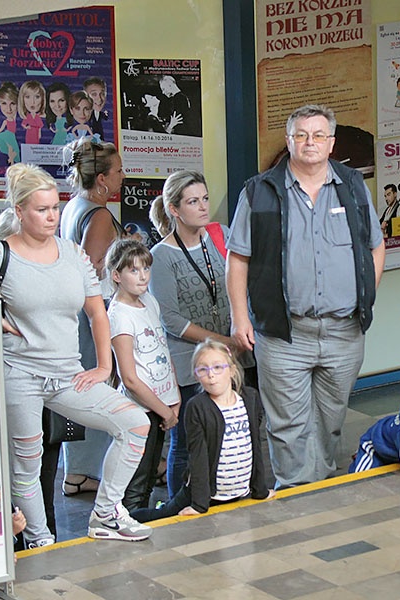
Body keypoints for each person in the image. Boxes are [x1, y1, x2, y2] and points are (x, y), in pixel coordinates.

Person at [0, 163, 152, 545]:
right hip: (20, 376)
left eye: (55, 208)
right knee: (27, 467)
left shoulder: (72, 255)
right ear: (19, 212)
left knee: (135, 424)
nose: (51, 216)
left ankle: (105, 516)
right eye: (41, 209)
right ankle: (39, 540)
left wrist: (103, 366)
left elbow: (97, 311)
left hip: (68, 373)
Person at [227, 104, 385, 488]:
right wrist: (239, 316)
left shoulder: (352, 187)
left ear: (331, 143)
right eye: (301, 135)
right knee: (288, 427)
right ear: (288, 141)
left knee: (330, 422)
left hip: (343, 332)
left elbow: (375, 247)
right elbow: (238, 258)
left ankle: (320, 491)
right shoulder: (259, 191)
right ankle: (298, 500)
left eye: (318, 135)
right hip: (284, 333)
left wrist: (365, 294)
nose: (309, 142)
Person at [150, 170, 242, 497]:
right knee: (187, 440)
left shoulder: (220, 235)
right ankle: (180, 502)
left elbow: (238, 283)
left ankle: (224, 491)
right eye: (193, 201)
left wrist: (238, 334)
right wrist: (220, 342)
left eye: (204, 199)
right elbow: (170, 319)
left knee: (233, 430)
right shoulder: (161, 256)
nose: (203, 207)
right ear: (174, 209)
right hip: (191, 360)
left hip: (232, 354)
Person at [131, 340, 272, 522]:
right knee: (162, 516)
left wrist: (260, 489)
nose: (211, 375)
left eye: (217, 368)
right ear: (196, 376)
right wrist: (199, 504)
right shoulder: (197, 407)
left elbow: (254, 447)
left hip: (236, 492)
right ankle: (121, 518)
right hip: (203, 494)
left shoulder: (250, 398)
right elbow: (198, 457)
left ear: (232, 370)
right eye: (203, 370)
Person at [58, 137, 127, 500]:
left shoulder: (73, 206)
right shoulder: (98, 215)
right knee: (97, 389)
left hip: (77, 317)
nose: (122, 176)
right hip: (93, 315)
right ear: (101, 179)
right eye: (117, 171)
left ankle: (77, 472)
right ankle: (84, 471)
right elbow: (92, 270)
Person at [105, 240, 180, 512]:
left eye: (146, 268)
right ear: (116, 276)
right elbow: (131, 379)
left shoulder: (148, 301)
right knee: (136, 481)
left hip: (162, 404)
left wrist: (174, 397)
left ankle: (144, 521)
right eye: (134, 270)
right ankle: (129, 523)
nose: (143, 276)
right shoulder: (118, 315)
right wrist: (164, 411)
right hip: (142, 410)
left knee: (149, 477)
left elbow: (162, 347)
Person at [0, 82, 20, 166]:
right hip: (8, 136)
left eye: (12, 103)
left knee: (14, 151)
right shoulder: (5, 121)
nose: (8, 109)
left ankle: (12, 160)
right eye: (4, 103)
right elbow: (0, 129)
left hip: (12, 137)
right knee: (11, 149)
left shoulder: (21, 120)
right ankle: (12, 161)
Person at [18, 80, 46, 146]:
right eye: (27, 97)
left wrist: (39, 134)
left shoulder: (38, 117)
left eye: (37, 97)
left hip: (36, 135)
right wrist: (27, 127)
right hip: (29, 134)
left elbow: (40, 127)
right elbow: (23, 124)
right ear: (22, 99)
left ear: (42, 100)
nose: (32, 102)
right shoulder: (27, 116)